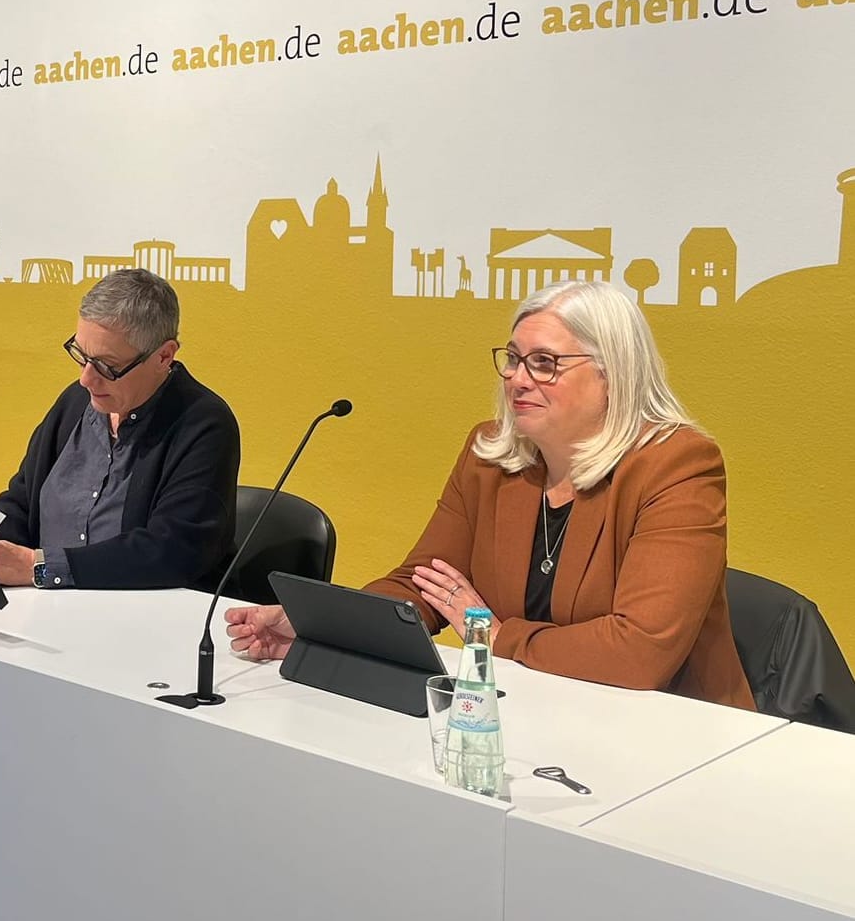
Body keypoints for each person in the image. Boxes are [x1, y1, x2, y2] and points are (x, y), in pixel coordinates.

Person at [226, 281, 754, 708]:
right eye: (514, 358)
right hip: (529, 710)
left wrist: (495, 637)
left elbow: (640, 653)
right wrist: (319, 625)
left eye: (544, 363)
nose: (518, 380)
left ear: (612, 374)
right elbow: (425, 585)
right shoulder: (490, 455)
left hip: (670, 734)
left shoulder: (677, 464)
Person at [0, 267, 241, 590]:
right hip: (43, 611)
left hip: (140, 621)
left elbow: (171, 550)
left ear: (164, 356)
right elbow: (21, 504)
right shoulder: (75, 403)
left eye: (108, 366)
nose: (86, 379)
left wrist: (39, 567)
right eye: (81, 355)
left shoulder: (204, 424)